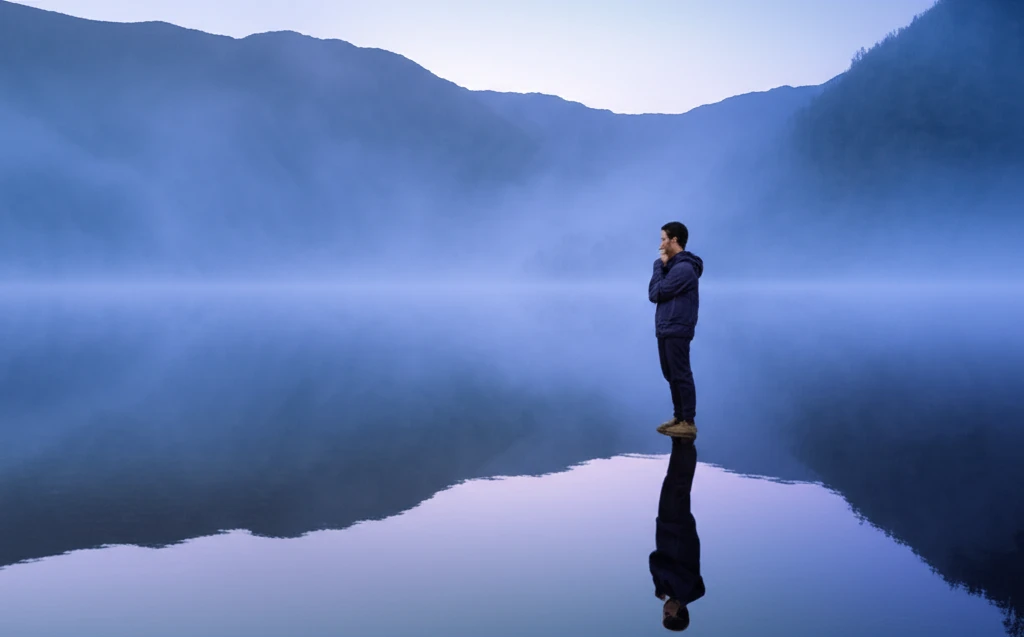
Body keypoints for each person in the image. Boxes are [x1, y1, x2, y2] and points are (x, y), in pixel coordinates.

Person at [648, 221, 703, 439]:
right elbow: (655, 292)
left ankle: (688, 421)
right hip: (666, 327)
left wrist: (658, 267)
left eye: (663, 239)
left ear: (675, 240)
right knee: (670, 374)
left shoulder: (684, 269)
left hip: (677, 328)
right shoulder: (670, 267)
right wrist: (661, 266)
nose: (660, 243)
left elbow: (655, 293)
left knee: (681, 374)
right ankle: (678, 417)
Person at [649, 437, 705, 631]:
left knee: (675, 481)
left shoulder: (680, 590)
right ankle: (686, 441)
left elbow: (661, 564)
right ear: (679, 612)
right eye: (667, 614)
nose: (664, 610)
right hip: (676, 528)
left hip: (672, 527)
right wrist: (659, 586)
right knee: (677, 483)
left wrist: (661, 586)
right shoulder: (685, 589)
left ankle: (679, 440)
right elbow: (657, 562)